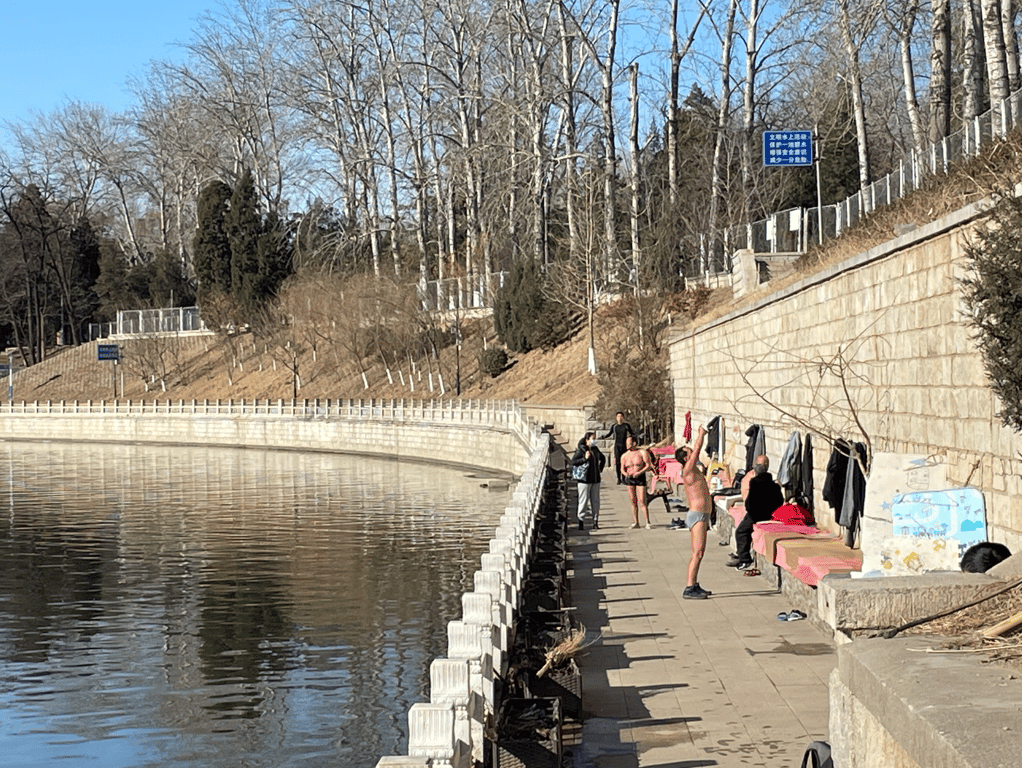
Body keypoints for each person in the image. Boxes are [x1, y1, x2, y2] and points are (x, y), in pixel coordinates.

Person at [675, 426, 713, 599]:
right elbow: (697, 449)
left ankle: (694, 584)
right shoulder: (688, 469)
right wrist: (701, 434)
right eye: (687, 450)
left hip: (702, 514)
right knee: (697, 553)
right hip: (697, 515)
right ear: (685, 457)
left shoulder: (694, 469)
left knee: (700, 552)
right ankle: (689, 588)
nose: (691, 449)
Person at [728, 454, 783, 570]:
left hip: (756, 515)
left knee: (741, 532)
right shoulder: (775, 485)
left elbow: (750, 504)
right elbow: (780, 501)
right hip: (771, 514)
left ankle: (744, 559)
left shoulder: (754, 483)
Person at [570, 431, 606, 530]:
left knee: (595, 501)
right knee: (583, 500)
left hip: (595, 480)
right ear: (587, 440)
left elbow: (603, 458)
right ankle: (581, 521)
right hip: (584, 480)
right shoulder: (581, 450)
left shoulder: (595, 449)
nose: (594, 440)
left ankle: (595, 521)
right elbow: (573, 462)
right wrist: (584, 459)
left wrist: (600, 470)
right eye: (592, 438)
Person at [620, 435, 653, 528]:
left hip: (640, 477)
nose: (627, 445)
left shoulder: (642, 452)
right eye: (626, 443)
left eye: (629, 443)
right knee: (633, 500)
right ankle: (636, 522)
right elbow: (622, 468)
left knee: (642, 500)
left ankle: (647, 521)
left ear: (634, 443)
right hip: (630, 478)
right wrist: (625, 474)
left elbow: (648, 465)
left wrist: (639, 472)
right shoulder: (624, 455)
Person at [602, 412, 634, 484]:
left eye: (621, 416)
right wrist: (603, 437)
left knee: (625, 462)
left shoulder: (626, 426)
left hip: (624, 446)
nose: (619, 418)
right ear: (616, 418)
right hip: (617, 446)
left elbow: (632, 433)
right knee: (617, 462)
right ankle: (618, 478)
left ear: (623, 418)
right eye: (618, 416)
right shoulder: (614, 426)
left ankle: (624, 478)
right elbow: (609, 434)